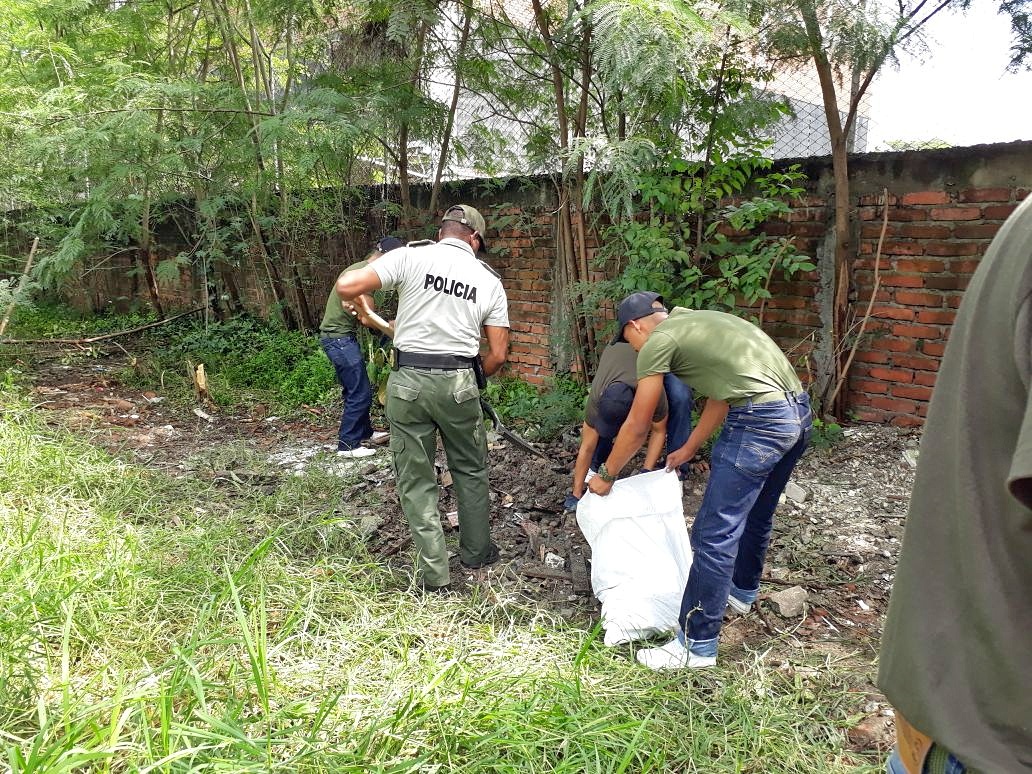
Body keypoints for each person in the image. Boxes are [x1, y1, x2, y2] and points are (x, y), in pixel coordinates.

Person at [878, 196, 1032, 773]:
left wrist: (608, 474)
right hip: (993, 737)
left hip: (969, 720)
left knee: (727, 518)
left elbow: (657, 418)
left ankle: (704, 637)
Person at [587, 291, 811, 670]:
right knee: (757, 513)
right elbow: (722, 394)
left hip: (759, 423)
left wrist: (606, 474)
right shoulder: (702, 322)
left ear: (635, 326)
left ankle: (696, 643)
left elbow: (640, 424)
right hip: (797, 413)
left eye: (631, 342)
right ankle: (741, 592)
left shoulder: (658, 341)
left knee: (712, 533)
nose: (636, 351)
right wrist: (690, 445)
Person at [335, 205, 509, 590]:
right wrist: (471, 379)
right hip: (459, 382)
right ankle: (477, 553)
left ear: (444, 231)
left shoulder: (411, 256)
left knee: (416, 480)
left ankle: (435, 574)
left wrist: (370, 312)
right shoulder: (488, 281)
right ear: (475, 239)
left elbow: (347, 286)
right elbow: (497, 355)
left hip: (409, 381)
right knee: (470, 470)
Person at [565, 293, 694, 511]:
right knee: (598, 435)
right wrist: (576, 494)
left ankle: (676, 468)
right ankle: (597, 463)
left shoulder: (655, 394)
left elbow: (657, 430)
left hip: (664, 358)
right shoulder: (596, 400)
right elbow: (585, 447)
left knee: (680, 398)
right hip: (626, 363)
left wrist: (644, 474)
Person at [319, 236, 403, 458]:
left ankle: (364, 432)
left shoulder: (360, 269)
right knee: (360, 391)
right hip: (339, 339)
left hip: (338, 338)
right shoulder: (366, 274)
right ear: (389, 257)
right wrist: (391, 327)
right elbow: (367, 318)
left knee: (355, 388)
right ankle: (348, 445)